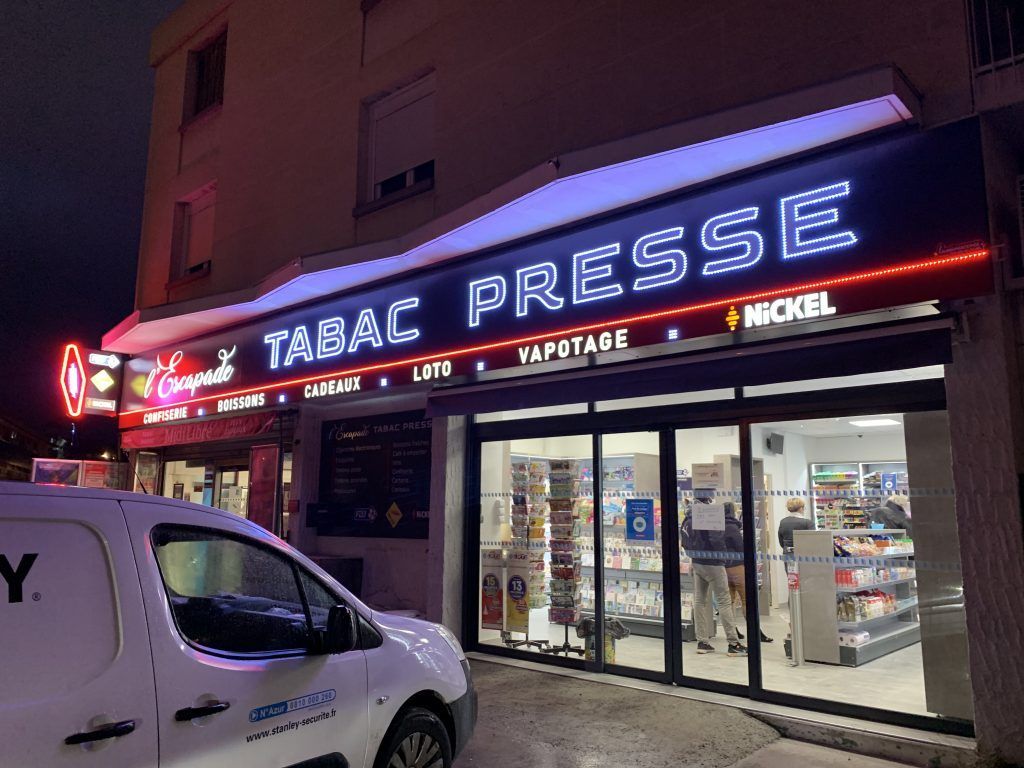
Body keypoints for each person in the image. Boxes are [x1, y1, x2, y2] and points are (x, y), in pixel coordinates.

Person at [681, 498, 747, 657]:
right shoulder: (710, 515)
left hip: (697, 562)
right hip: (714, 563)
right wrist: (722, 557)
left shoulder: (687, 519)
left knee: (699, 600)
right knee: (724, 601)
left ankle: (702, 641)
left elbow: (684, 542)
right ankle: (733, 643)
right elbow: (717, 539)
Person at [722, 503, 774, 644]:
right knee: (747, 600)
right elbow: (741, 548)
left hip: (723, 567)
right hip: (737, 566)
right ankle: (756, 632)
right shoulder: (732, 527)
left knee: (729, 601)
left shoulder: (717, 527)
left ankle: (733, 631)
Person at [778, 497, 814, 571]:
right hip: (804, 555)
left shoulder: (783, 522)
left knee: (792, 579)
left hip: (788, 554)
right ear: (801, 508)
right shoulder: (808, 523)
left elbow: (781, 541)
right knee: (806, 579)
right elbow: (812, 542)